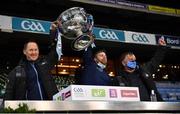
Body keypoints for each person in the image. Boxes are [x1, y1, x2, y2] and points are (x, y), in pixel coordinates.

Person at [4, 21, 62, 100]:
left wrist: (53, 31)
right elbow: (9, 92)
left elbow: (55, 51)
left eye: (36, 50)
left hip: (50, 107)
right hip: (31, 110)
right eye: (31, 50)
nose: (34, 52)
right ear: (25, 52)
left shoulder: (45, 63)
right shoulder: (17, 71)